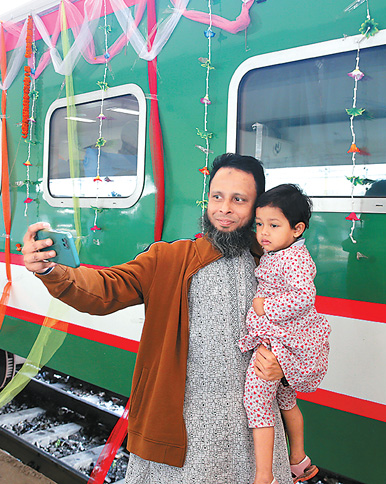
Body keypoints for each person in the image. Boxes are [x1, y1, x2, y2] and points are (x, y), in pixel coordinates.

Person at [22, 153, 293, 484]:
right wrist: (51, 271)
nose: (224, 208)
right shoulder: (170, 258)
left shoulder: (277, 268)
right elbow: (104, 289)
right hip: (184, 436)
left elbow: (304, 339)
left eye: (239, 200)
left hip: (255, 436)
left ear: (256, 208)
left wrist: (284, 366)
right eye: (217, 197)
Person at [238, 184, 331, 484]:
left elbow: (304, 296)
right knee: (286, 400)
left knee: (257, 402)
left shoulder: (293, 259)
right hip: (283, 338)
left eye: (274, 225)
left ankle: (265, 476)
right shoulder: (281, 251)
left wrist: (264, 306)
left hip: (279, 342)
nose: (263, 232)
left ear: (297, 229)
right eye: (259, 224)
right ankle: (299, 460)